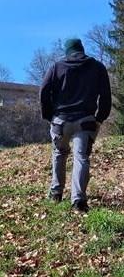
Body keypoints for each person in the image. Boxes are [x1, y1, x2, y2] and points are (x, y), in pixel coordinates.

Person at [40, 37, 112, 213]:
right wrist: (99, 118)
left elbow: (43, 92)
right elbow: (106, 97)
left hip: (60, 121)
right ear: (82, 50)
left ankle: (56, 194)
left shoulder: (56, 67)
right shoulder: (97, 67)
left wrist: (49, 116)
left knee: (59, 153)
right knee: (81, 158)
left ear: (67, 51)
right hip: (86, 122)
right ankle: (78, 201)